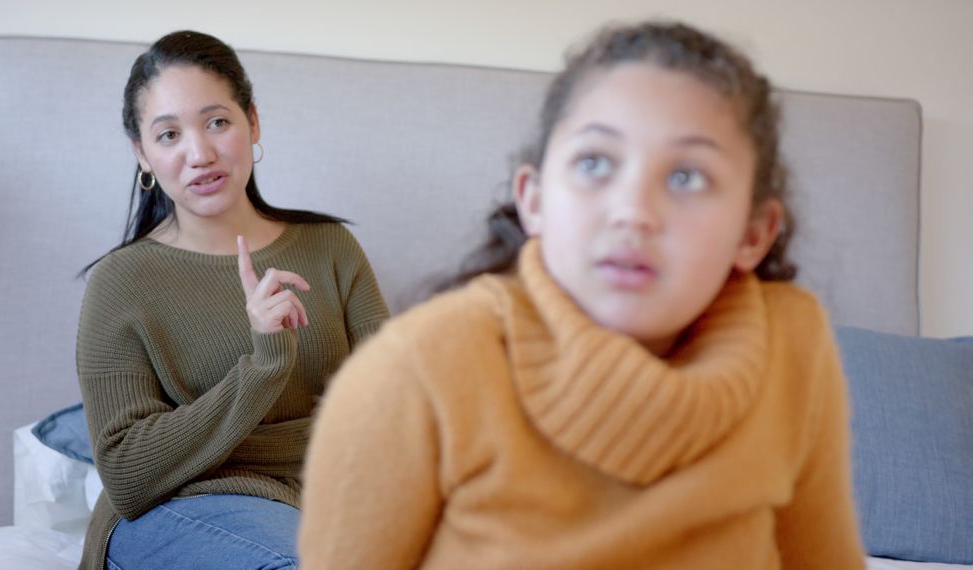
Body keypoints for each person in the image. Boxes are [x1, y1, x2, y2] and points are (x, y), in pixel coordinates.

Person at [299, 21, 865, 569]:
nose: (634, 213)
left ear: (753, 234)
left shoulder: (793, 339)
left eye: (687, 177)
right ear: (535, 199)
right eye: (595, 163)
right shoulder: (416, 368)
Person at [75, 30, 389, 570]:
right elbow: (128, 473)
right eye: (169, 134)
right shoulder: (120, 282)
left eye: (217, 122)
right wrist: (264, 366)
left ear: (253, 122)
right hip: (187, 504)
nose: (200, 153)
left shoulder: (330, 247)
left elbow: (394, 408)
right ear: (142, 155)